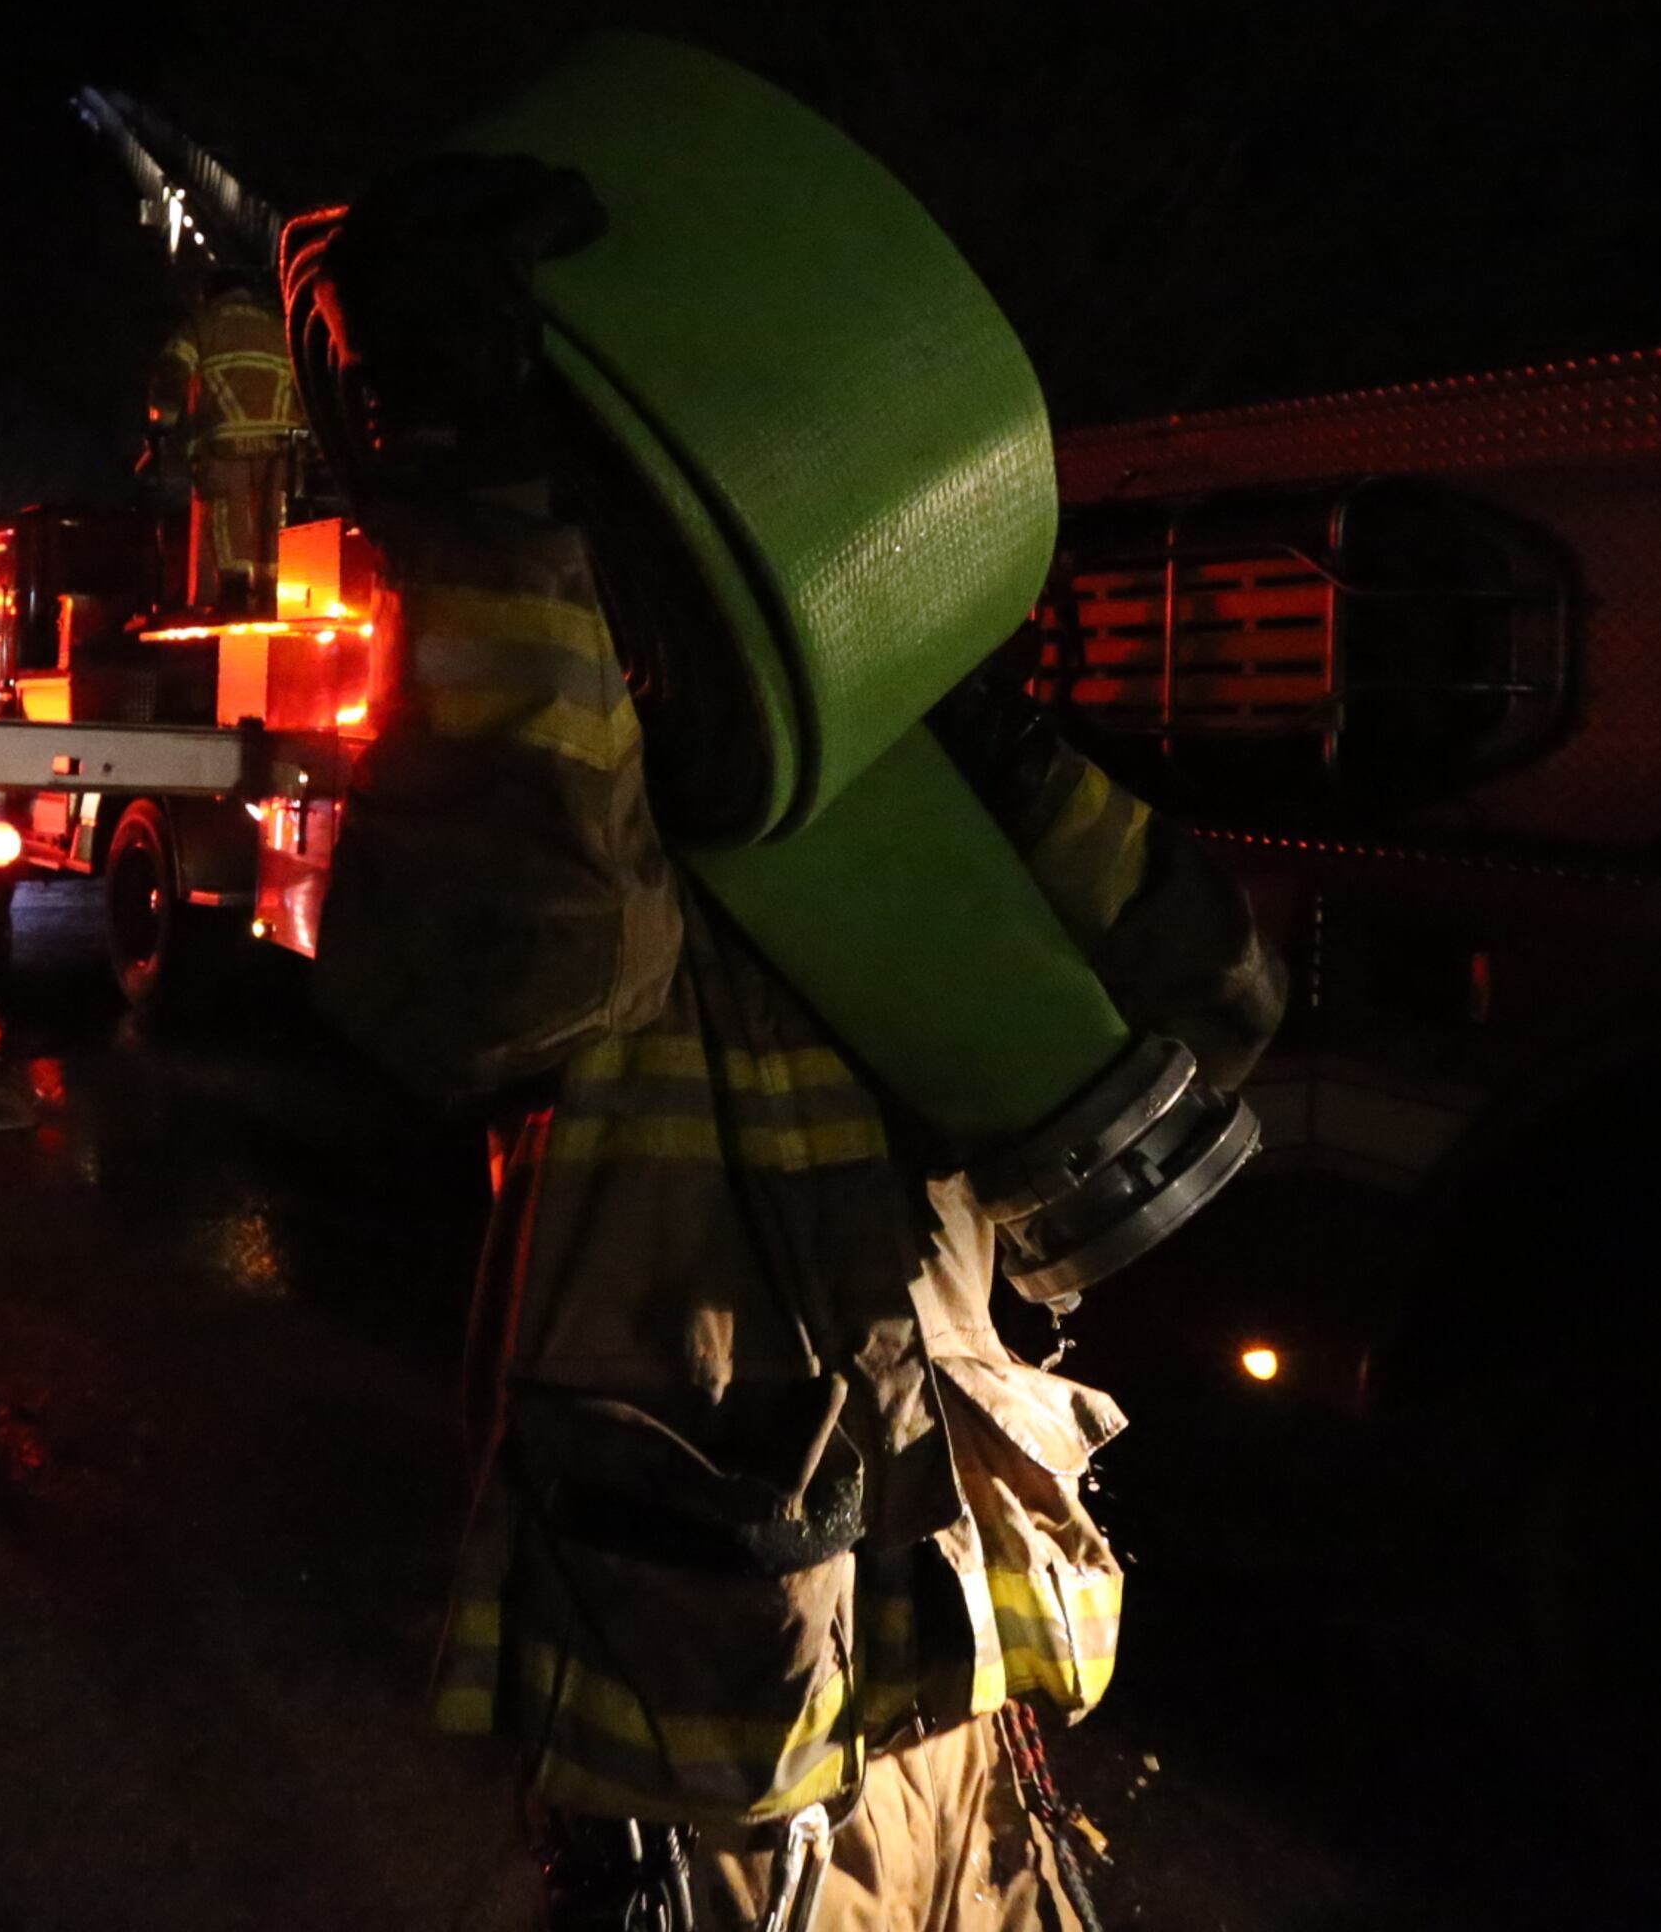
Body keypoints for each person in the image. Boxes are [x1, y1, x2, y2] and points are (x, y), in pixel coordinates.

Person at [286, 162, 1285, 1930]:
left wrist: (989, 737)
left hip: (962, 1728)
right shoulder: (564, 839)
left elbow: (1219, 1001)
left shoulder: (914, 831)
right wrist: (484, 510)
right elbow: (515, 972)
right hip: (722, 1770)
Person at [149, 265, 306, 614]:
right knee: (273, 516)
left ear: (211, 294)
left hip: (225, 441)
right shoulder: (277, 327)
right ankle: (270, 594)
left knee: (225, 511)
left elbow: (172, 372)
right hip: (281, 443)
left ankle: (234, 593)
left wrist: (162, 425)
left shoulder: (204, 323)